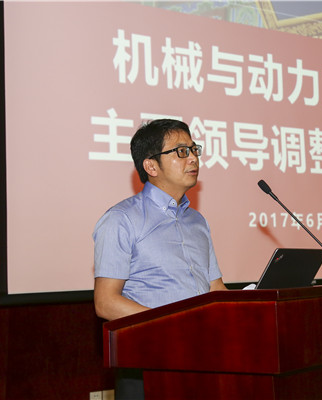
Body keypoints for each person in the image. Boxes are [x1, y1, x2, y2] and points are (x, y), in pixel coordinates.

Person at [93, 119, 227, 398]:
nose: (193, 158)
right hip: (148, 362)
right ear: (151, 166)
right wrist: (174, 325)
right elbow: (105, 302)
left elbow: (215, 288)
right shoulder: (121, 219)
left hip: (203, 358)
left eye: (194, 149)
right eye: (181, 152)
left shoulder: (198, 222)